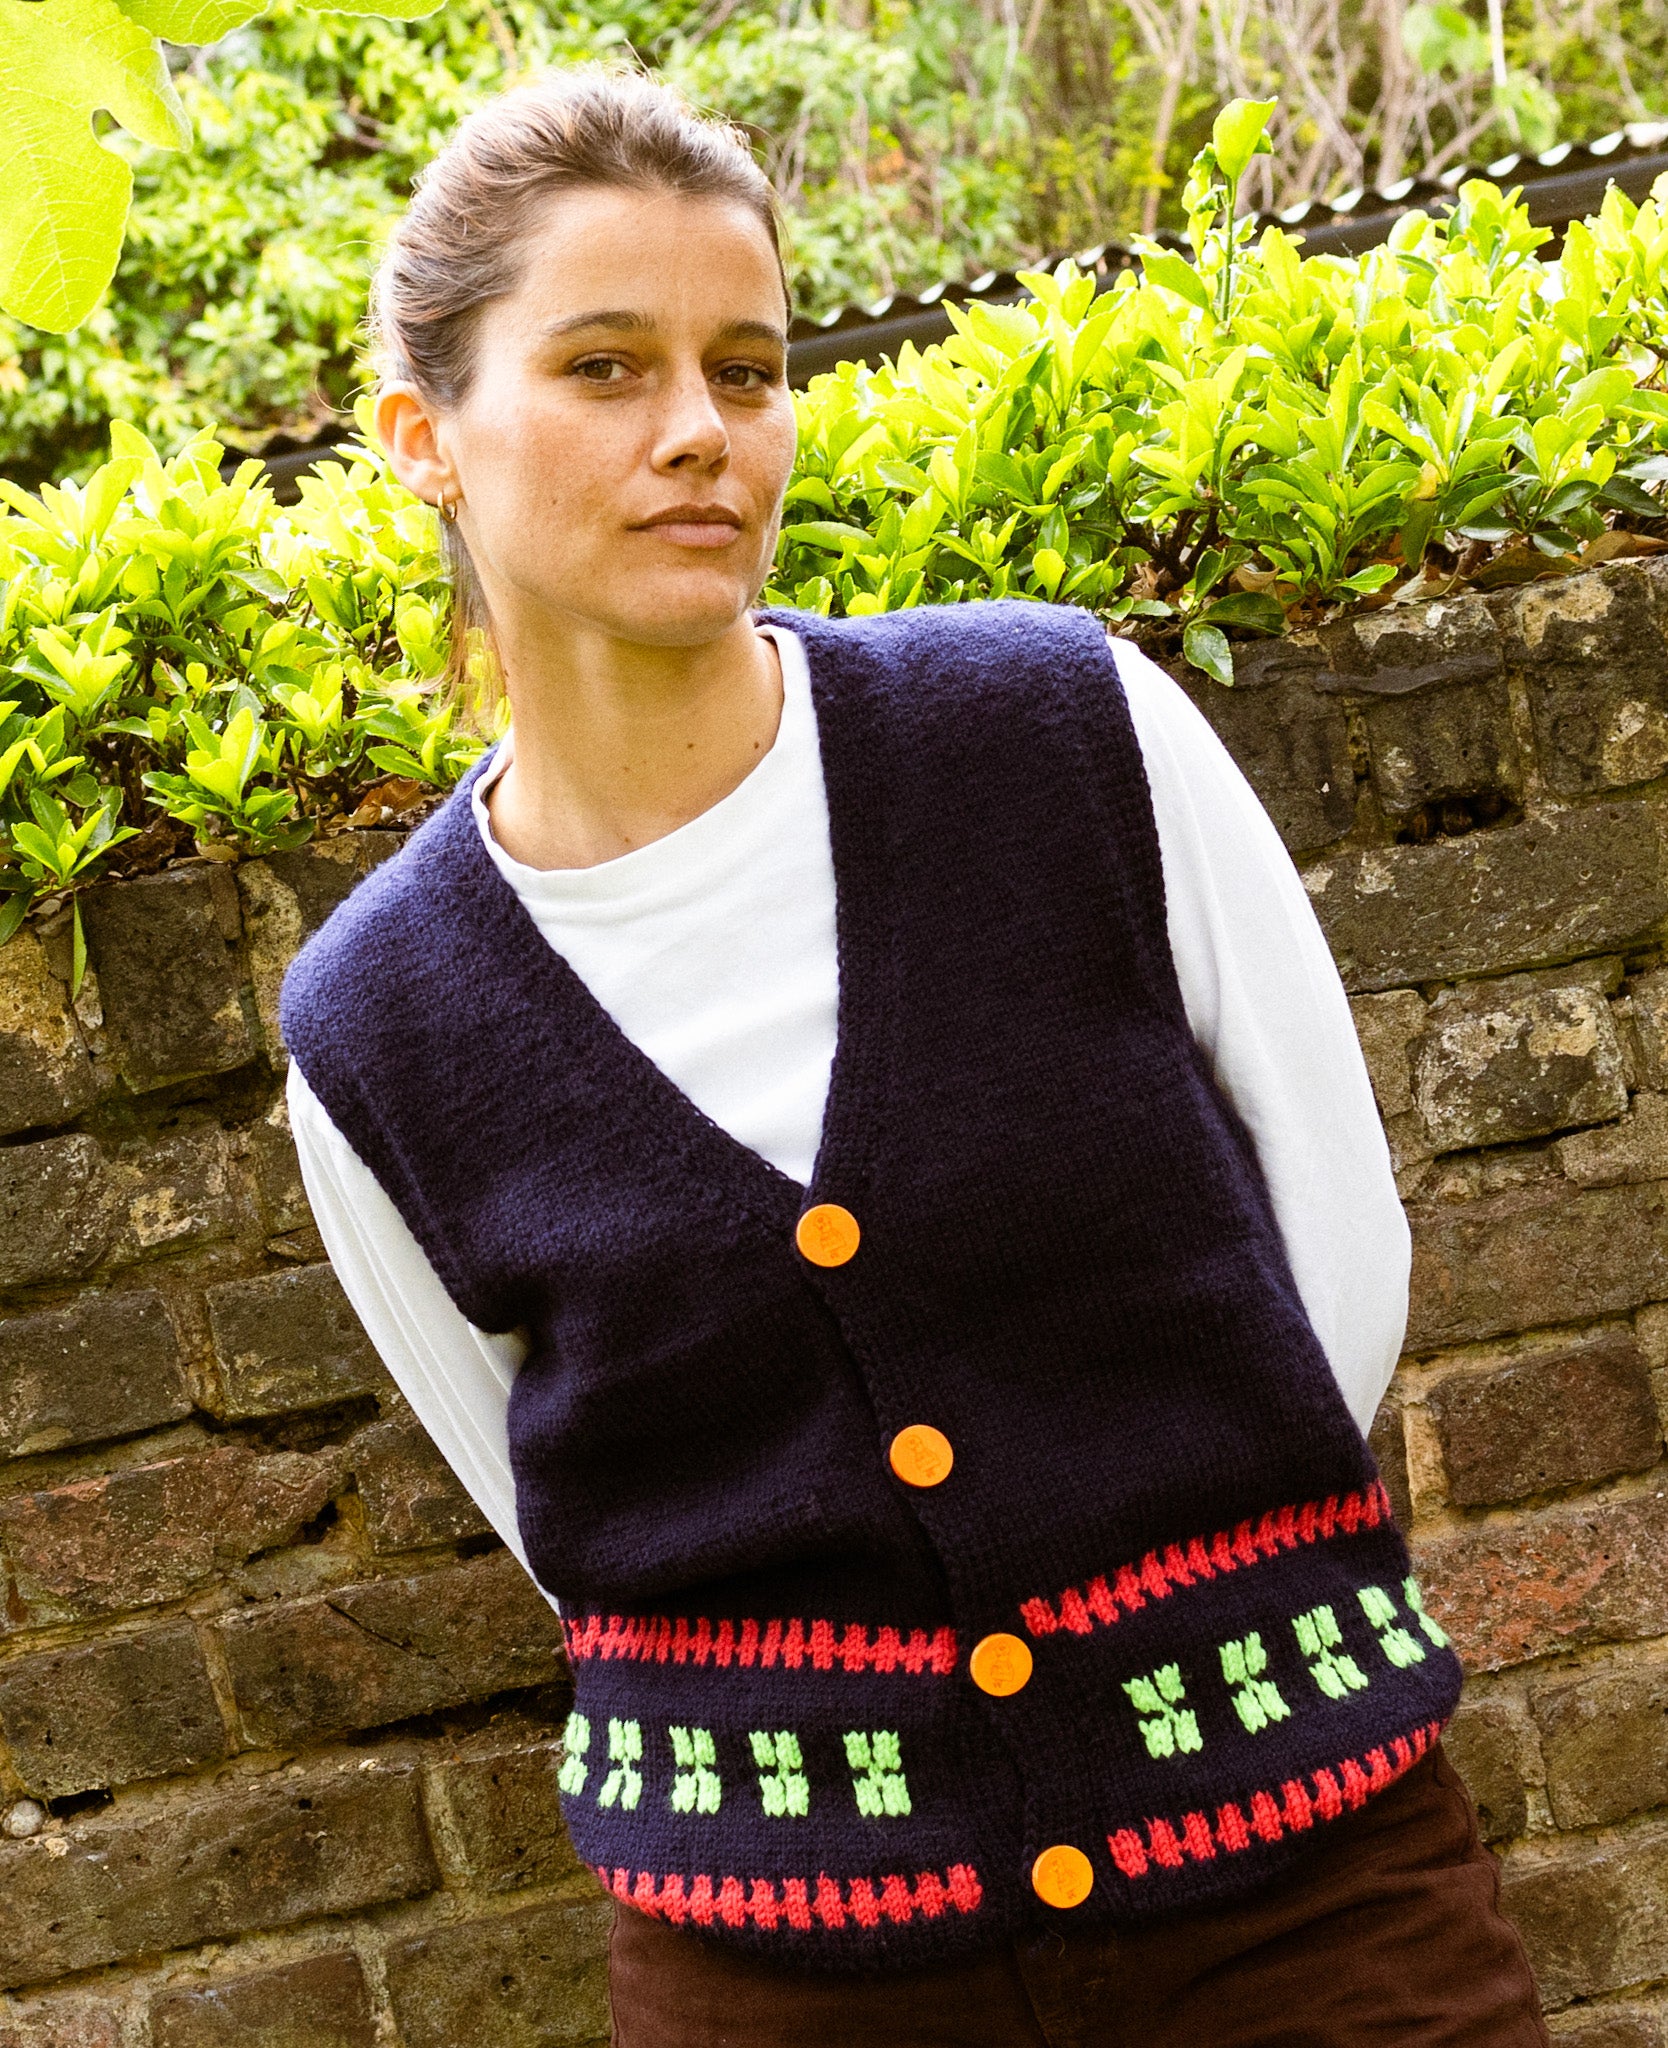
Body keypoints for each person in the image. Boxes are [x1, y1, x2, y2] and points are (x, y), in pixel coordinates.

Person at [280, 68, 1548, 2048]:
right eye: (607, 366)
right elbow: (551, 1514)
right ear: (424, 439)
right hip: (785, 1973)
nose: (702, 429)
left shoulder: (1059, 731)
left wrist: (1176, 1642)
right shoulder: (378, 1020)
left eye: (748, 365)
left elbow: (1342, 1267)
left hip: (1308, 1897)